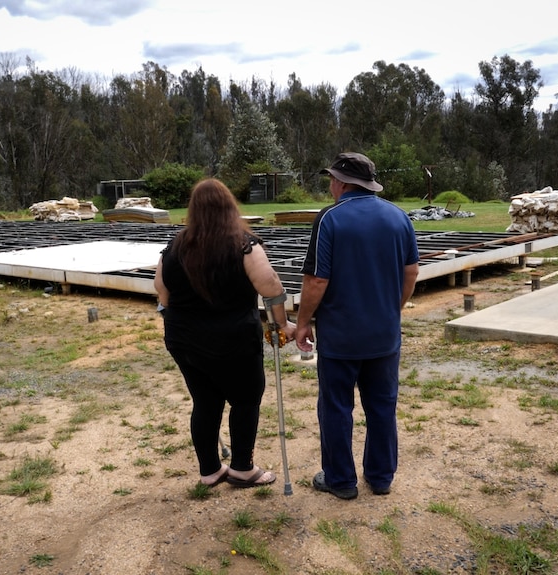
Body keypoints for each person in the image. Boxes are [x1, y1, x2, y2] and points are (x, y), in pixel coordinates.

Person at [154, 178, 296, 489]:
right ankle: (243, 468)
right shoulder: (244, 244)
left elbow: (161, 292)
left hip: (184, 340)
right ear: (229, 207)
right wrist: (282, 324)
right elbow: (271, 286)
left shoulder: (175, 245)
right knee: (246, 399)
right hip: (233, 341)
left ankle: (210, 470)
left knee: (205, 401)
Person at [295, 152, 419, 500]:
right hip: (384, 334)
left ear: (342, 182)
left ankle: (340, 480)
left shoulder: (330, 218)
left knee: (336, 407)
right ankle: (380, 478)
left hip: (341, 336)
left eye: (332, 180)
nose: (331, 186)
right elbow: (411, 272)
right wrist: (392, 308)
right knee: (382, 406)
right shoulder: (398, 217)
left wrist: (303, 322)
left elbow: (317, 280)